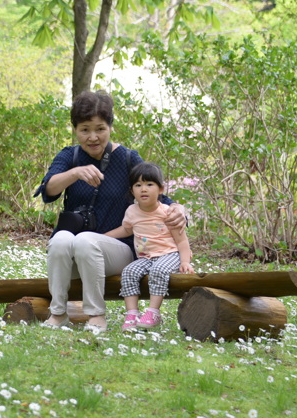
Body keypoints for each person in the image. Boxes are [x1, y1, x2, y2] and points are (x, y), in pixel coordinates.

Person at [34, 90, 186, 332]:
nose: (92, 137)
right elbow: (48, 190)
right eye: (85, 129)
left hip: (118, 252)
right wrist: (75, 173)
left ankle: (96, 316)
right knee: (61, 239)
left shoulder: (126, 158)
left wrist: (177, 207)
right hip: (74, 253)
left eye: (100, 129)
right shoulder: (69, 156)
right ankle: (58, 313)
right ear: (76, 130)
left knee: (84, 241)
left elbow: (155, 192)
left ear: (110, 128)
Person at [103, 162, 195, 332]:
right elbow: (125, 229)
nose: (143, 189)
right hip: (146, 257)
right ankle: (132, 314)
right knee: (129, 272)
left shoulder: (167, 212)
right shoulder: (131, 211)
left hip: (170, 254)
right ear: (132, 191)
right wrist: (103, 237)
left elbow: (182, 241)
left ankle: (154, 312)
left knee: (158, 271)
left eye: (149, 184)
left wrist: (185, 261)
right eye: (138, 185)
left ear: (161, 189)